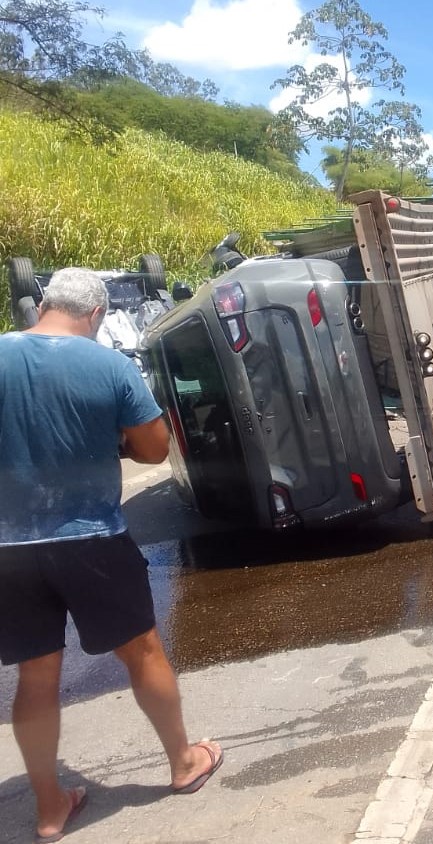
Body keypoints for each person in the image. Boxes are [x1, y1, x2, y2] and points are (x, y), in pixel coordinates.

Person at [0, 268, 223, 843]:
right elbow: (152, 451)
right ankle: (183, 763)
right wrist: (113, 437)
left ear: (42, 305)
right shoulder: (110, 366)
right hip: (91, 536)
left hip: (10, 546)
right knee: (143, 652)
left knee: (36, 673)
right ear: (97, 315)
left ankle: (50, 808)